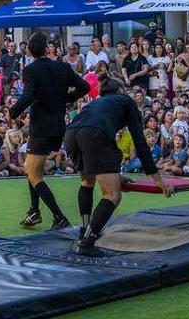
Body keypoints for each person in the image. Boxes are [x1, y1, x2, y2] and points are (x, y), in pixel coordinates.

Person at [64, 77, 174, 256]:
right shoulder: (126, 101)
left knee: (87, 181)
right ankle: (87, 241)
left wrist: (114, 174)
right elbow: (140, 141)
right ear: (121, 90)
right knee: (113, 195)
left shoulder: (97, 103)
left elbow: (98, 160)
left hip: (71, 133)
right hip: (94, 133)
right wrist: (157, 179)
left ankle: (84, 229)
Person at [8, 31, 90, 230]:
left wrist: (13, 111)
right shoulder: (62, 67)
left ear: (29, 51)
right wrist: (67, 99)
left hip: (41, 126)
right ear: (46, 48)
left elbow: (28, 97)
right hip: (58, 126)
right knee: (31, 167)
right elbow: (85, 86)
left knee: (33, 173)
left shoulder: (30, 70)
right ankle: (34, 210)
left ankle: (59, 217)